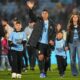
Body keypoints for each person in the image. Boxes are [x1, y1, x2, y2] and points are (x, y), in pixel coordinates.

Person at [28, 9, 55, 78]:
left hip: (48, 44)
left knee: (47, 59)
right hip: (40, 43)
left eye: (46, 13)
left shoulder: (51, 22)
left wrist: (52, 40)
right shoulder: (38, 20)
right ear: (41, 14)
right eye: (43, 13)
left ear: (48, 14)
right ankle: (42, 72)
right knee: (40, 57)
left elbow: (54, 33)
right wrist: (31, 9)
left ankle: (45, 72)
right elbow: (32, 16)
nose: (44, 14)